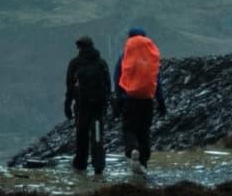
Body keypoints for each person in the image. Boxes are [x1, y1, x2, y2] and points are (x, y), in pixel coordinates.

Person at [113, 26, 167, 175]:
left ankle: (133, 150)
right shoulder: (151, 56)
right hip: (147, 100)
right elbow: (157, 80)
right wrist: (161, 102)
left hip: (129, 99)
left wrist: (118, 99)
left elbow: (117, 77)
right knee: (144, 131)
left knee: (129, 128)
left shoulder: (125, 54)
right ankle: (143, 163)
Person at [63, 35, 111, 176]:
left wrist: (67, 105)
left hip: (82, 107)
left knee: (81, 135)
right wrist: (108, 103)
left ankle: (81, 164)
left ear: (79, 47)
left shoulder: (75, 63)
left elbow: (70, 86)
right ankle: (98, 165)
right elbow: (108, 85)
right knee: (97, 136)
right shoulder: (101, 63)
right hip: (98, 107)